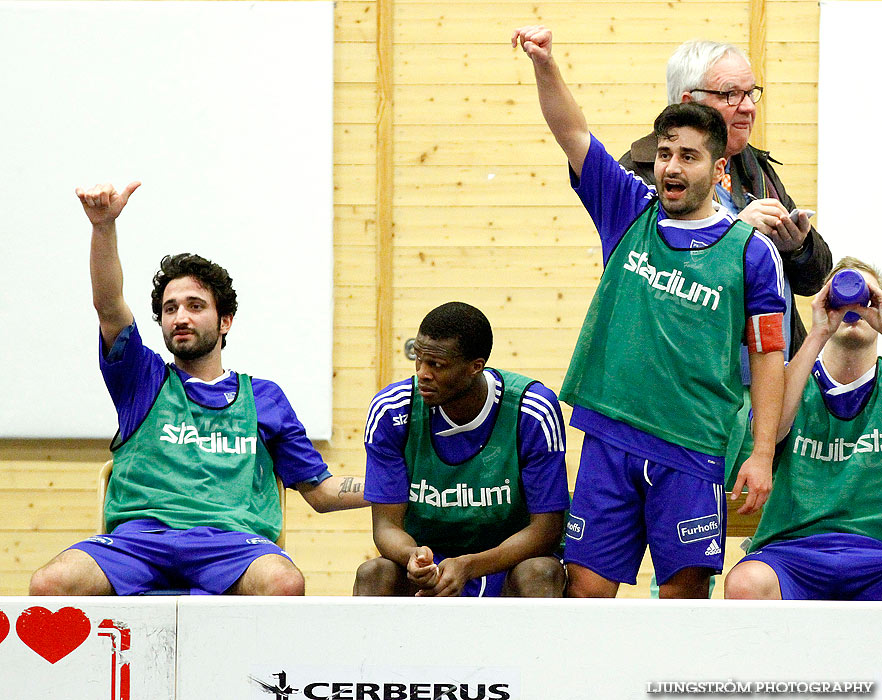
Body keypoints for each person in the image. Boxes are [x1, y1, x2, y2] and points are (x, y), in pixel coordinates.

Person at [512, 25, 786, 598]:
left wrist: (761, 454)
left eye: (688, 156)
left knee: (681, 606)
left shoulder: (750, 252)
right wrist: (544, 63)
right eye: (665, 154)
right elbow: (573, 132)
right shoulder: (627, 212)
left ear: (718, 171)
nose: (671, 167)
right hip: (609, 441)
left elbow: (767, 357)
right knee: (585, 594)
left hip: (692, 450)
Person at [29, 181, 366, 597]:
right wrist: (103, 227)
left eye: (195, 305)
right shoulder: (143, 379)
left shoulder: (265, 398)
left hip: (231, 546)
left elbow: (321, 491)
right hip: (139, 543)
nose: (180, 317)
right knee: (50, 584)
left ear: (225, 321)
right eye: (170, 309)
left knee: (284, 582)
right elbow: (109, 305)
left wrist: (399, 486)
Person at [619, 40, 831, 360]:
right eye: (731, 94)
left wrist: (797, 247)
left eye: (750, 92)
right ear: (690, 102)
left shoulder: (752, 166)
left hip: (773, 374)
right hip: (690, 376)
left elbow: (815, 278)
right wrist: (734, 235)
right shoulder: (642, 172)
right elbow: (654, 281)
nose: (748, 107)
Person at [353, 302, 570, 597]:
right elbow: (386, 527)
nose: (422, 374)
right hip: (432, 563)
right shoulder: (392, 411)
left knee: (541, 572)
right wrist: (413, 558)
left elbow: (547, 530)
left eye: (436, 365)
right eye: (418, 359)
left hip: (508, 563)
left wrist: (470, 565)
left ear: (475, 367)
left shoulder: (531, 411)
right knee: (373, 573)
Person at [726, 258, 882, 600]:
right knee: (745, 583)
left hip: (875, 553)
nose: (854, 308)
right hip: (793, 552)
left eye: (867, 299)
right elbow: (771, 431)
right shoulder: (793, 380)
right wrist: (818, 332)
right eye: (841, 297)